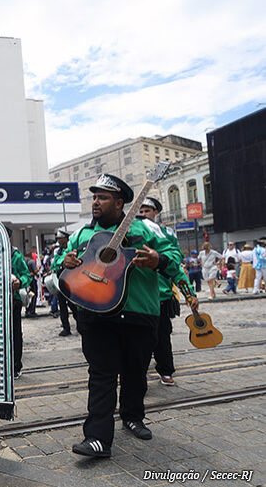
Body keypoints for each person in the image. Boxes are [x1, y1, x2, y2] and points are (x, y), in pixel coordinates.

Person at [61, 174, 191, 458]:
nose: (95, 202)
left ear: (120, 203)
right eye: (94, 196)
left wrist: (159, 260)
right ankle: (97, 438)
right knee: (101, 375)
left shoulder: (147, 227)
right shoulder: (83, 233)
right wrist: (65, 262)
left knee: (135, 372)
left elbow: (175, 256)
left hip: (139, 312)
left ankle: (133, 416)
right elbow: (64, 262)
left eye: (103, 197)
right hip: (96, 313)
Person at [138, 197, 197, 386]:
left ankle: (165, 370)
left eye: (147, 210)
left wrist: (190, 294)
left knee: (162, 337)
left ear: (156, 212)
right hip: (138, 296)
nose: (143, 214)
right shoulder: (132, 231)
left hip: (161, 296)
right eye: (141, 210)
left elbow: (176, 266)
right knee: (137, 341)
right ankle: (137, 374)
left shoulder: (166, 234)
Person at [9, 229, 32, 379]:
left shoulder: (15, 255)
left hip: (14, 300)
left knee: (15, 333)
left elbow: (26, 275)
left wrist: (19, 282)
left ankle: (16, 366)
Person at [49, 230, 75, 336]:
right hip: (61, 281)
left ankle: (80, 323)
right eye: (58, 239)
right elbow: (54, 265)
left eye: (60, 238)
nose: (58, 241)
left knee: (74, 305)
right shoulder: (58, 252)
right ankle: (66, 327)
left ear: (66, 238)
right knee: (62, 307)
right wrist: (59, 265)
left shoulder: (70, 248)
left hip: (71, 281)